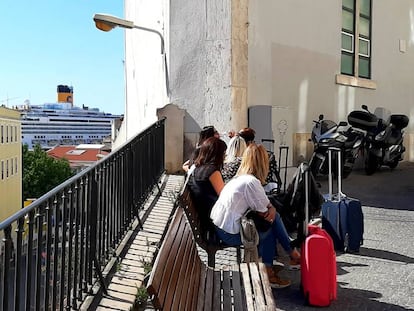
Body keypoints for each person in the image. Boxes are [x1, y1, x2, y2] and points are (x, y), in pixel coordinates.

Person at [210, 143, 300, 288]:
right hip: (229, 234)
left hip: (220, 228)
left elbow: (266, 207)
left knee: (271, 222)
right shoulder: (251, 182)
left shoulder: (239, 179)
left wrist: (270, 208)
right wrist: (271, 209)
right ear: (263, 163)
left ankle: (280, 261)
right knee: (271, 225)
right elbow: (267, 213)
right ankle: (284, 261)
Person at [187, 136, 227, 234]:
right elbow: (225, 197)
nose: (225, 156)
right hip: (213, 224)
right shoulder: (212, 172)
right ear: (217, 154)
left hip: (204, 218)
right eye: (224, 153)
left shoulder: (197, 169)